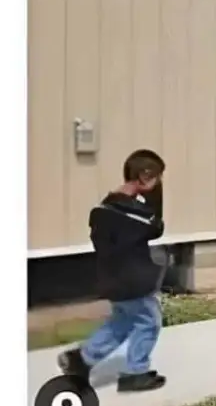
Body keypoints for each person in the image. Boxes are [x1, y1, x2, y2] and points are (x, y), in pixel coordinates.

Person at [58, 149, 168, 393]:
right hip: (133, 280)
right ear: (145, 176)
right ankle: (136, 373)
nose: (159, 183)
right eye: (157, 178)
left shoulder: (105, 207)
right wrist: (155, 196)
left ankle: (82, 359)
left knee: (123, 322)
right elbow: (156, 227)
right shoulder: (135, 213)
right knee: (149, 321)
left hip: (112, 279)